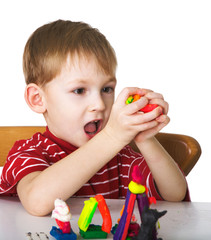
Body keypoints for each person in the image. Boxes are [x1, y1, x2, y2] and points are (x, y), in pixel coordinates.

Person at [0, 20, 188, 216]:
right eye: (79, 90)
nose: (99, 104)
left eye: (106, 89)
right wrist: (112, 137)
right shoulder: (28, 153)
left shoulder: (120, 157)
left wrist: (146, 139)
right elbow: (37, 202)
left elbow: (174, 194)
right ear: (38, 99)